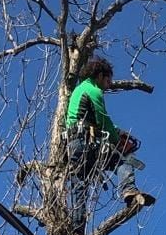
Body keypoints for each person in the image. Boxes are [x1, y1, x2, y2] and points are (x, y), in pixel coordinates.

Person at [65, 54, 155, 225]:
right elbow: (103, 121)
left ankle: (77, 232)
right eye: (107, 81)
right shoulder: (94, 90)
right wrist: (116, 141)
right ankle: (129, 190)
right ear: (100, 76)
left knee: (79, 186)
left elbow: (72, 119)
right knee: (121, 162)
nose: (108, 86)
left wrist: (117, 131)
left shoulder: (77, 91)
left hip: (73, 143)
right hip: (87, 142)